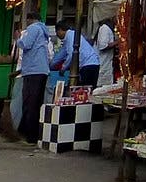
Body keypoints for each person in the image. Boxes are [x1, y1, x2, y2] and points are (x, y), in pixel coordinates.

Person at [14, 16, 53, 144]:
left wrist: (18, 38)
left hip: (33, 70)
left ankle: (30, 134)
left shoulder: (33, 28)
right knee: (36, 102)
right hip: (41, 69)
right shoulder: (44, 31)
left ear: (30, 19)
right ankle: (34, 132)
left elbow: (26, 44)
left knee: (30, 103)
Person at [51, 23, 99, 87]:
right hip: (94, 64)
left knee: (84, 89)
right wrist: (51, 65)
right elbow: (60, 55)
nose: (57, 35)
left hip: (87, 65)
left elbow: (71, 55)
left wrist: (63, 68)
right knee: (90, 89)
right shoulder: (71, 36)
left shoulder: (70, 36)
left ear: (60, 30)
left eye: (56, 32)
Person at [93, 20, 117, 88]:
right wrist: (118, 42)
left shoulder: (108, 29)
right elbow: (103, 46)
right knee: (102, 87)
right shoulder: (105, 28)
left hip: (107, 63)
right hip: (103, 63)